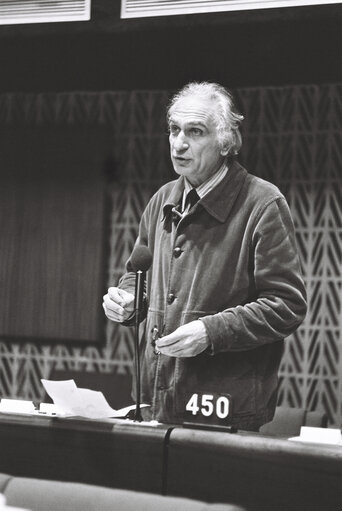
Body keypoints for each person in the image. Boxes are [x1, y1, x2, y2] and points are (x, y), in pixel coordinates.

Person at [103, 82, 307, 431]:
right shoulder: (162, 198)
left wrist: (210, 332)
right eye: (174, 130)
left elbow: (286, 306)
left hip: (224, 408)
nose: (179, 143)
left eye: (195, 132)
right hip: (156, 397)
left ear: (226, 142)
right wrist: (127, 301)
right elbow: (139, 273)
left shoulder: (263, 203)